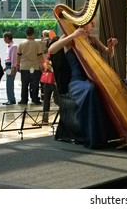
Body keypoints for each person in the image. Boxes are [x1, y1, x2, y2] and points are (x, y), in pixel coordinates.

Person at [49, 18, 119, 149]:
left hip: (94, 78)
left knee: (124, 85)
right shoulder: (69, 37)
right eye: (90, 22)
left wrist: (111, 46)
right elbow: (52, 50)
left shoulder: (93, 39)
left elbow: (109, 54)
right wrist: (73, 35)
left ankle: (118, 132)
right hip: (77, 80)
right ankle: (93, 136)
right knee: (91, 90)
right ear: (81, 23)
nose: (93, 25)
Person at [16, 26, 43, 105]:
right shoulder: (37, 44)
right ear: (33, 34)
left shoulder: (21, 44)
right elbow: (40, 56)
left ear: (26, 34)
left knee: (24, 84)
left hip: (24, 67)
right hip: (34, 67)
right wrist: (43, 65)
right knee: (34, 84)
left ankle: (24, 100)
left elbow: (18, 55)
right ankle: (35, 99)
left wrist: (18, 65)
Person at [39, 36, 60, 125]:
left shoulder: (57, 51)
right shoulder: (50, 52)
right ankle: (45, 119)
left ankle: (63, 117)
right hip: (49, 79)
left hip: (54, 79)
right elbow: (45, 63)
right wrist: (47, 65)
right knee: (46, 100)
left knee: (56, 100)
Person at [2, 32, 17, 105]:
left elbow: (13, 58)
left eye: (4, 38)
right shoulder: (9, 46)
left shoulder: (13, 46)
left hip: (11, 66)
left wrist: (12, 67)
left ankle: (11, 100)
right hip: (8, 66)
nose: (4, 39)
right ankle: (10, 99)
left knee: (9, 83)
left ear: (7, 37)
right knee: (8, 83)